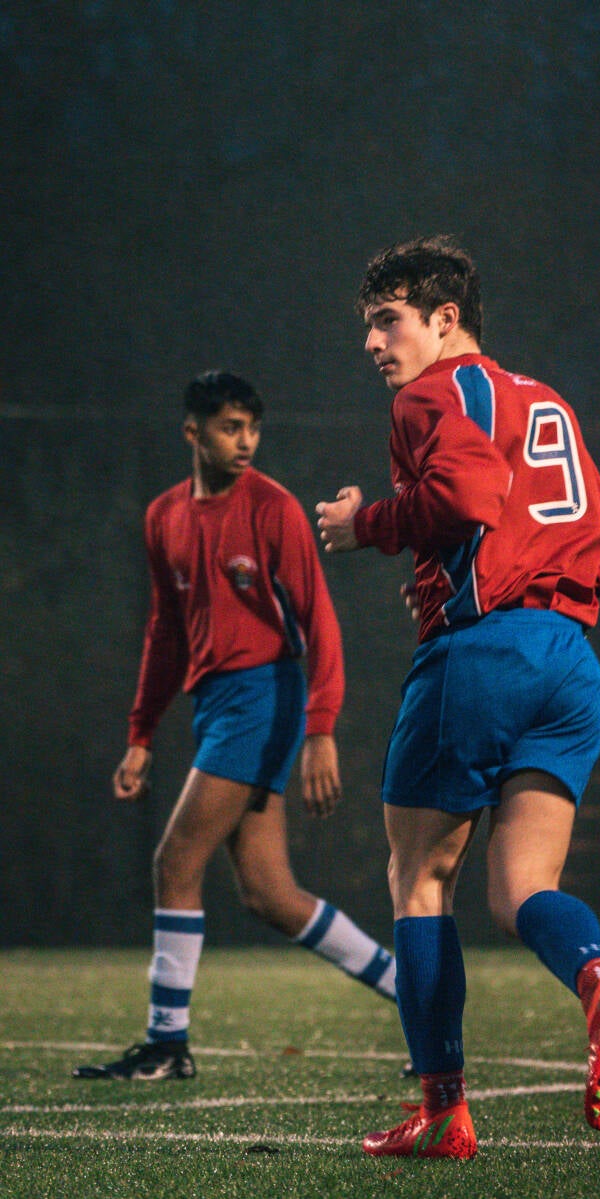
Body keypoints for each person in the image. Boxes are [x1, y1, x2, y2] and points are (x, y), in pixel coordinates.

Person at [316, 236, 600, 1159]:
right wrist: (453, 578)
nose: (374, 342)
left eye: (388, 320)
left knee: (420, 877)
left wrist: (367, 525)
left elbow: (465, 497)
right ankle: (599, 977)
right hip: (569, 660)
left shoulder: (431, 393)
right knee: (522, 890)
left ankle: (442, 1112)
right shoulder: (546, 398)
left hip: (482, 659)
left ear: (445, 318)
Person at [73, 370, 396, 1082]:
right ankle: (417, 996)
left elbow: (319, 618)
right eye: (230, 427)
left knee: (174, 860)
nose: (246, 441)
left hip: (263, 698)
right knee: (270, 896)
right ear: (193, 432)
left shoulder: (273, 508)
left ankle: (167, 1043)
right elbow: (165, 633)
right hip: (217, 703)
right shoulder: (164, 516)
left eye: (252, 427)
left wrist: (320, 727)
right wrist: (141, 734)